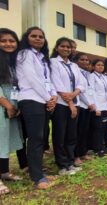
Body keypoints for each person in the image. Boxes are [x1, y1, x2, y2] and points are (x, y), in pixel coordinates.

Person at [16, 27, 57, 189]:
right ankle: (37, 177)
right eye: (34, 36)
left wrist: (53, 96)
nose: (38, 39)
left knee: (42, 137)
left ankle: (39, 171)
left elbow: (47, 79)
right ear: (27, 38)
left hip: (44, 100)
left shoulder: (42, 57)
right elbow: (32, 79)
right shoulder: (24, 54)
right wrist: (49, 98)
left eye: (41, 36)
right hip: (31, 99)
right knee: (36, 138)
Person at [50, 37, 84, 175]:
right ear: (57, 47)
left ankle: (70, 162)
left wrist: (74, 94)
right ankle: (62, 165)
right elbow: (56, 83)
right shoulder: (53, 62)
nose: (66, 49)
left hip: (74, 103)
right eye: (62, 46)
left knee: (71, 135)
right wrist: (70, 102)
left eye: (68, 47)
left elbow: (82, 84)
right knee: (60, 135)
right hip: (61, 105)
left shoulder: (74, 66)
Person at [0, 28, 25, 195]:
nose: (8, 44)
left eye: (12, 40)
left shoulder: (12, 61)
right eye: (4, 41)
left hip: (13, 104)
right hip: (3, 103)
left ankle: (4, 172)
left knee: (7, 139)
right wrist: (7, 104)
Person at [74, 52, 94, 165]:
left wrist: (91, 104)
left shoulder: (87, 74)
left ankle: (83, 152)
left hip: (88, 106)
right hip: (80, 105)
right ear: (76, 61)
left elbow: (90, 91)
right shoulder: (76, 72)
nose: (85, 62)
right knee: (78, 132)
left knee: (85, 131)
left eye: (87, 60)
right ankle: (76, 156)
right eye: (82, 59)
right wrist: (88, 103)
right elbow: (79, 91)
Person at [91, 59, 107, 156]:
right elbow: (92, 93)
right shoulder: (92, 77)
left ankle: (102, 146)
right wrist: (96, 108)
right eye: (98, 65)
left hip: (105, 107)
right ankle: (97, 149)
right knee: (97, 129)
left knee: (104, 128)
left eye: (102, 65)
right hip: (98, 107)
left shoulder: (104, 77)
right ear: (93, 66)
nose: (100, 67)